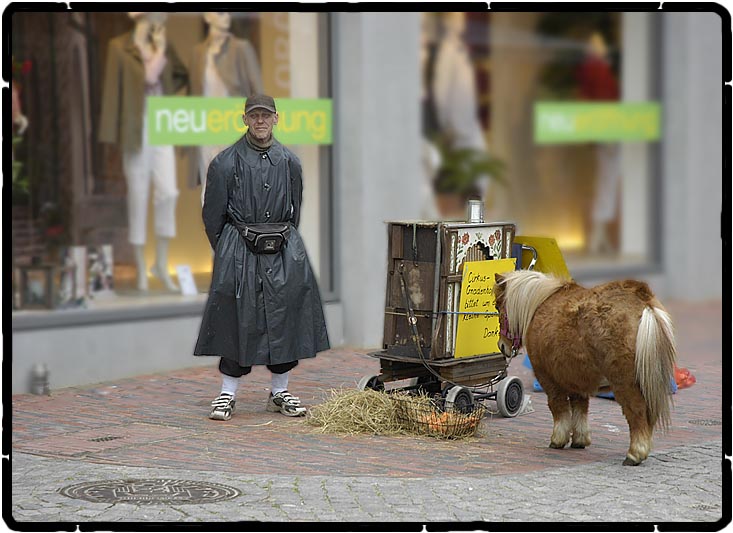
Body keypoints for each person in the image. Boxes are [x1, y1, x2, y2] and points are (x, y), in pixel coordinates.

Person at [194, 94, 330, 420]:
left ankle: (280, 391)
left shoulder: (290, 162)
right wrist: (230, 249)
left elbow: (294, 211)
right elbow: (213, 216)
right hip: (239, 249)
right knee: (235, 317)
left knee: (283, 318)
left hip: (283, 251)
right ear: (244, 119)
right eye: (254, 115)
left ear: (276, 119)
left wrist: (281, 241)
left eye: (265, 116)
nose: (260, 121)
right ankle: (227, 394)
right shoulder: (224, 163)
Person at [99, 12, 188, 291]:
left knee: (169, 192)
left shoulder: (163, 43)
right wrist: (111, 136)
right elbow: (114, 91)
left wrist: (162, 51)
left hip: (162, 123)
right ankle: (140, 267)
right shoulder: (119, 46)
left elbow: (178, 76)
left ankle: (160, 263)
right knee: (137, 197)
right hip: (135, 130)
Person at [188, 12, 264, 206]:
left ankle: (236, 235)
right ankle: (215, 235)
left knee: (237, 185)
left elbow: (258, 91)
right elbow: (193, 93)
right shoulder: (198, 53)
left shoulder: (241, 48)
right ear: (207, 17)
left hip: (233, 126)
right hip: (206, 128)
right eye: (220, 12)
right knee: (208, 187)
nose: (226, 16)